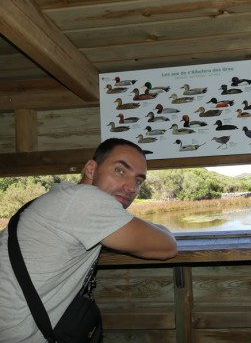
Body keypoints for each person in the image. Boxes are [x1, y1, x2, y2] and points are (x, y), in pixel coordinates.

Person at [0, 138, 178, 342]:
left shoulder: (66, 196)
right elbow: (167, 246)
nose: (131, 187)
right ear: (91, 169)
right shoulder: (86, 201)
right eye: (120, 171)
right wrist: (163, 229)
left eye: (138, 180)